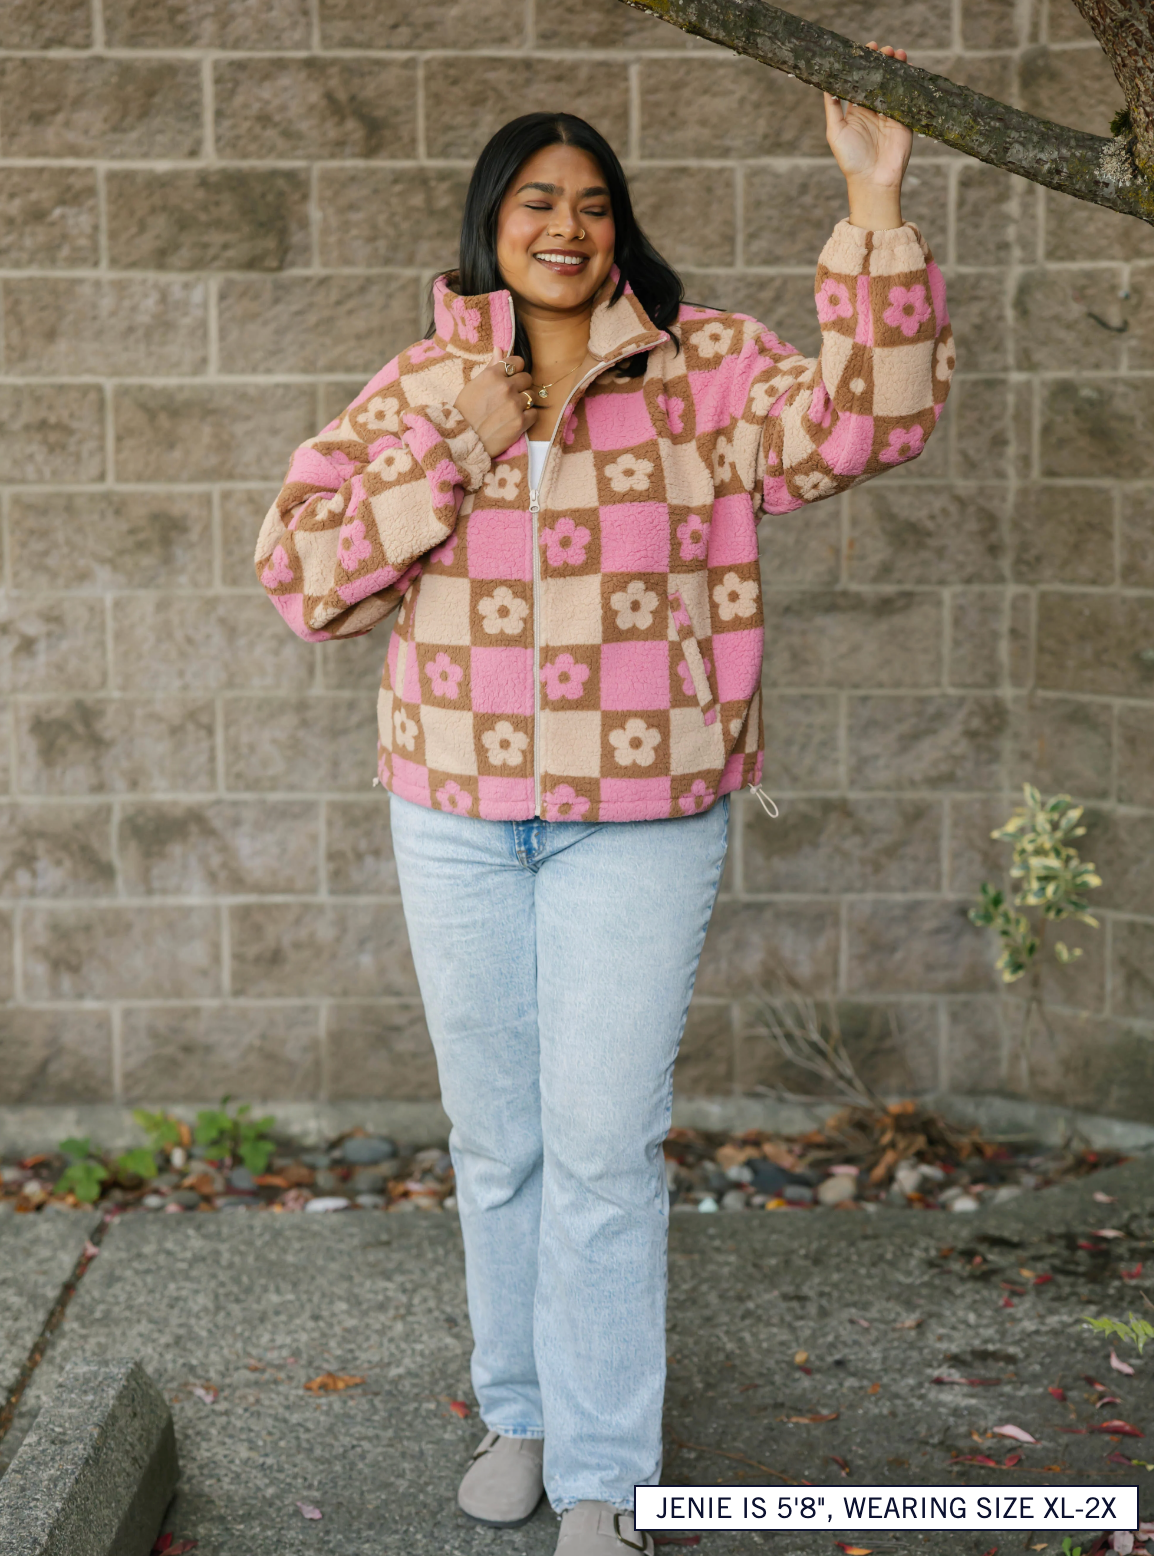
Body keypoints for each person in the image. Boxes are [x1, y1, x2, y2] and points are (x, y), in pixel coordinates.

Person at [256, 45, 951, 1556]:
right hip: (454, 815)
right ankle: (519, 1413)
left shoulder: (706, 370)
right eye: (534, 200)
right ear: (488, 223)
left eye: (590, 202)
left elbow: (869, 427)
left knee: (598, 1149)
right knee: (497, 1145)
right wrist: (462, 438)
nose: (563, 225)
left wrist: (873, 201)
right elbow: (305, 580)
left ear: (619, 226)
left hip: (637, 820)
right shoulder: (422, 385)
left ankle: (604, 1475)